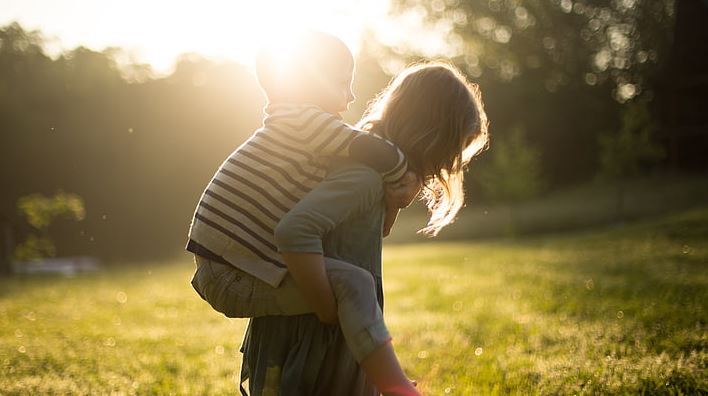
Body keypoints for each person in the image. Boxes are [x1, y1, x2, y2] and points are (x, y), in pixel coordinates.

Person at [187, 31, 422, 394]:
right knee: (354, 284)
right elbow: (375, 150)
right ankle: (394, 387)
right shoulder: (304, 121)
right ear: (310, 83)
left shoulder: (293, 127)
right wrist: (403, 176)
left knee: (347, 284)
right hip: (231, 274)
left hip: (227, 268)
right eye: (344, 83)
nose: (351, 97)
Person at [240, 62, 489, 394]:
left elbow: (367, 230)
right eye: (452, 148)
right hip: (314, 333)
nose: (450, 162)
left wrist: (399, 192)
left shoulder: (373, 171)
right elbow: (295, 230)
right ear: (430, 134)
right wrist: (328, 308)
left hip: (332, 328)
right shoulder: (365, 176)